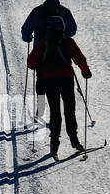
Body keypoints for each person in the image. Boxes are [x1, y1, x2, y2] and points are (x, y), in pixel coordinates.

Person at [27, 16, 92, 160]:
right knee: (70, 109)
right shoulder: (68, 41)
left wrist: (39, 65)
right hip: (66, 80)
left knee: (55, 112)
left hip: (49, 81)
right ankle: (74, 139)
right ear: (63, 27)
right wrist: (85, 71)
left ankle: (54, 143)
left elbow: (30, 63)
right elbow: (80, 58)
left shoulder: (44, 42)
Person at [21, 0, 77, 120]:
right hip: (62, 55)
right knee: (64, 85)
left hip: (42, 54)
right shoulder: (64, 11)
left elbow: (25, 30)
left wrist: (28, 38)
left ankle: (40, 111)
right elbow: (73, 30)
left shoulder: (37, 11)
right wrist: (63, 37)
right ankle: (67, 115)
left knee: (41, 83)